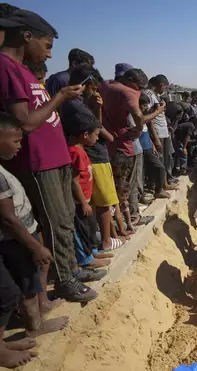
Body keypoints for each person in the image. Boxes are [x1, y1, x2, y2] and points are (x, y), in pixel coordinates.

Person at [0, 9, 102, 301]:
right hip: (38, 162)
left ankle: (71, 268)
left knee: (65, 220)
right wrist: (60, 97)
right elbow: (27, 122)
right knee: (56, 222)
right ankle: (66, 281)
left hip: (55, 160)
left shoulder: (23, 70)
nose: (48, 55)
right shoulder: (5, 66)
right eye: (47, 46)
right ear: (27, 36)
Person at [0, 112, 72, 371]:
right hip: (17, 238)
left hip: (22, 234)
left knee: (25, 282)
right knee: (26, 283)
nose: (20, 147)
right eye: (16, 141)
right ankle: (35, 326)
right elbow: (8, 219)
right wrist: (35, 246)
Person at [60, 65, 127, 253]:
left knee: (100, 203)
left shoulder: (76, 104)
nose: (94, 92)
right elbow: (104, 133)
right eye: (93, 88)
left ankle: (105, 239)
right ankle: (106, 241)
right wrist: (95, 109)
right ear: (84, 84)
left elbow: (97, 129)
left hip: (95, 157)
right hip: (96, 158)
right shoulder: (75, 105)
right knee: (104, 201)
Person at [101, 68, 162, 236]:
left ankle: (125, 219)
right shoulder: (127, 93)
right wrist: (157, 112)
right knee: (130, 185)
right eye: (139, 86)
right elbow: (139, 119)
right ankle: (133, 217)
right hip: (128, 146)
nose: (140, 91)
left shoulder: (106, 85)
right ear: (128, 80)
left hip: (113, 145)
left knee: (120, 187)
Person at [66, 111, 111, 270]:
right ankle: (86, 259)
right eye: (96, 135)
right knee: (82, 231)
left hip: (85, 199)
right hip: (80, 201)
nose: (98, 138)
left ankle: (93, 252)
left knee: (90, 228)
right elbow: (74, 181)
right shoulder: (76, 152)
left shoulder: (81, 150)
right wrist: (84, 202)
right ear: (85, 134)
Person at [136, 93, 177, 199]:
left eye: (147, 105)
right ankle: (151, 192)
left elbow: (148, 132)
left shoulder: (145, 117)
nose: (146, 108)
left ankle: (159, 189)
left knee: (159, 167)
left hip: (148, 147)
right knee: (144, 172)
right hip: (140, 149)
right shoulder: (137, 118)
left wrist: (153, 143)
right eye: (144, 105)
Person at [144, 75, 175, 183]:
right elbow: (149, 118)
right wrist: (155, 138)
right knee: (160, 160)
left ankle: (165, 183)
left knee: (165, 159)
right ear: (162, 85)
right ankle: (160, 185)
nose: (165, 90)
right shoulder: (148, 95)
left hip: (163, 131)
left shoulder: (156, 95)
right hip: (158, 132)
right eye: (166, 87)